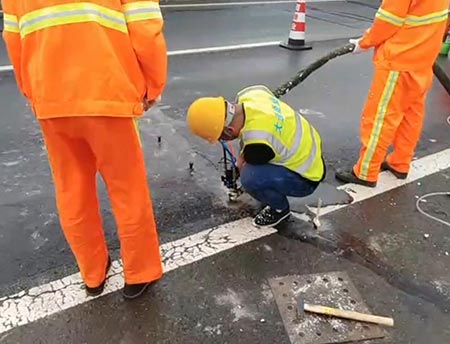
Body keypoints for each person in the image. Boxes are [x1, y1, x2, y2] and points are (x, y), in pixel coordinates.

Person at [2, 0, 167, 299]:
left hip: (50, 97)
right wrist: (152, 85)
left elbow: (14, 38)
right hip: (108, 92)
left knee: (72, 190)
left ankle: (93, 273)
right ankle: (139, 272)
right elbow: (145, 27)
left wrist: (34, 90)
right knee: (127, 188)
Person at [335, 0, 450, 187]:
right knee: (411, 116)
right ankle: (400, 162)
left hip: (400, 60)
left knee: (380, 118)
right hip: (423, 59)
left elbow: (388, 20)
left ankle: (366, 172)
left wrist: (364, 42)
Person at [186, 85, 326, 228]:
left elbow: (249, 157)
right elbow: (263, 91)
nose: (223, 140)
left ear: (229, 130)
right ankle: (271, 190)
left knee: (251, 178)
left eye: (221, 137)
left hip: (306, 177)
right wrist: (238, 164)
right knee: (253, 168)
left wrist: (239, 169)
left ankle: (279, 209)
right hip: (310, 150)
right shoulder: (251, 95)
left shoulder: (258, 140)